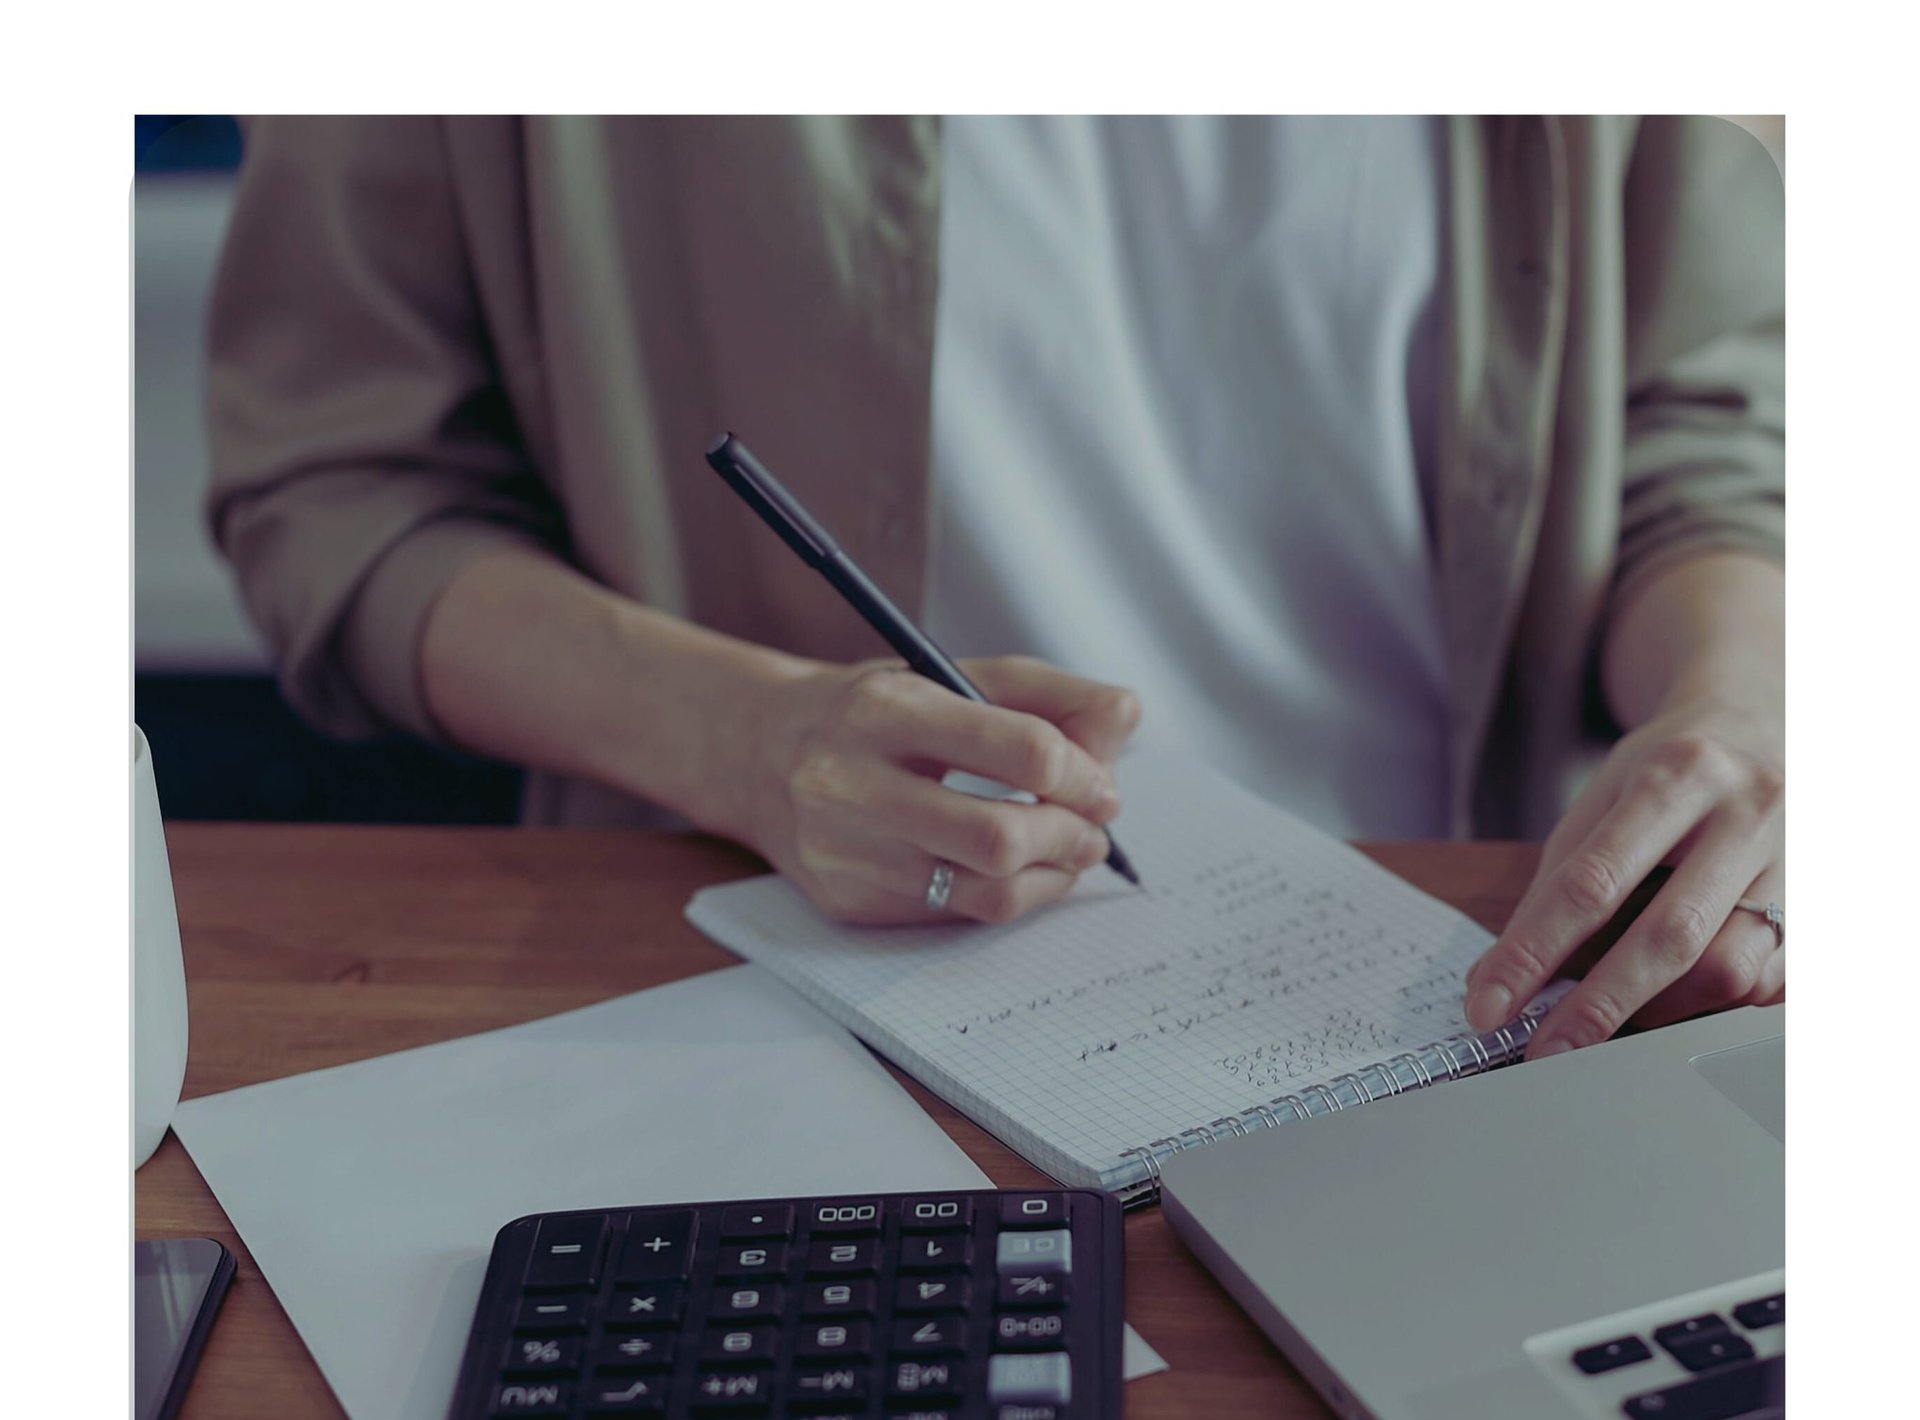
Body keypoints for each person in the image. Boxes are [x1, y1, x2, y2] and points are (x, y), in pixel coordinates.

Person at [205, 115, 1784, 1056]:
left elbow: (1703, 444)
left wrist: (1738, 703)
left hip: (1466, 974)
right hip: (770, 997)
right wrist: (743, 738)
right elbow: (339, 488)